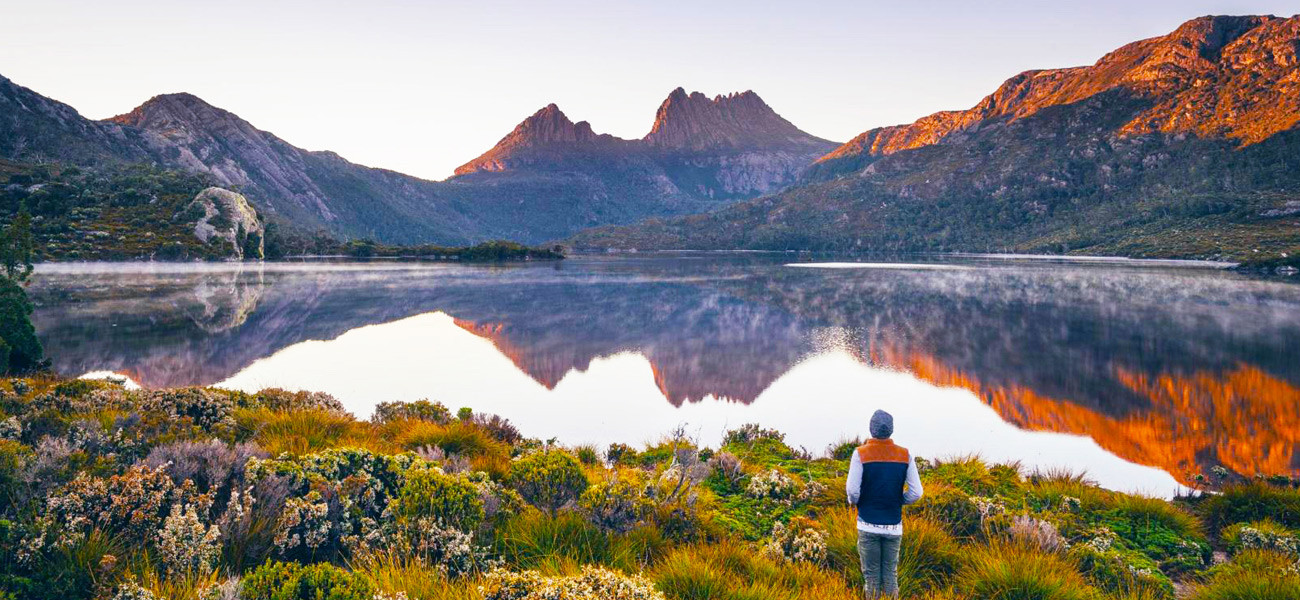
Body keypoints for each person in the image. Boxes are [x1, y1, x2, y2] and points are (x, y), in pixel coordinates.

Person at [845, 410, 923, 598]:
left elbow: (853, 491)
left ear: (871, 429)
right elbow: (916, 493)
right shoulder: (905, 455)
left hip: (867, 524)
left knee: (871, 576)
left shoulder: (860, 454)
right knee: (890, 576)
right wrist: (899, 500)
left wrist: (855, 502)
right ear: (891, 429)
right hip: (893, 526)